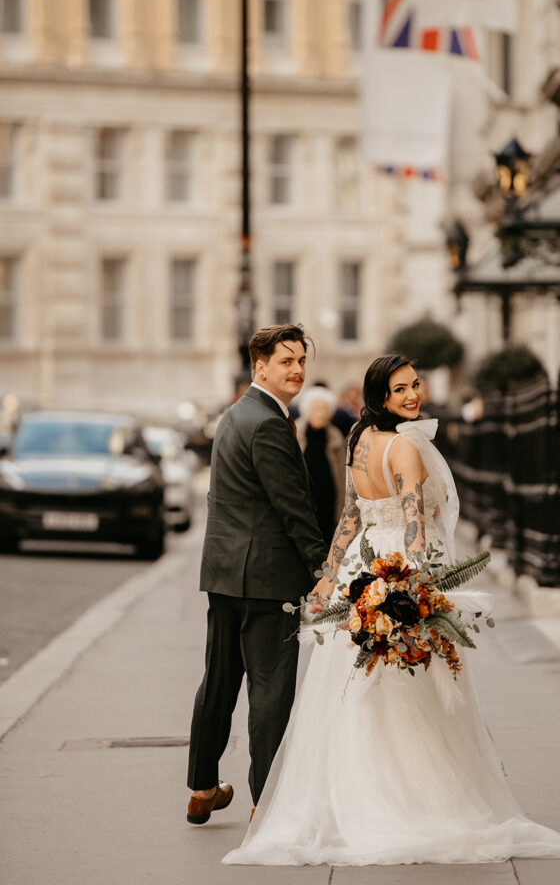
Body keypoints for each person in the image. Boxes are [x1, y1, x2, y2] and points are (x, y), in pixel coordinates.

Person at [222, 354, 560, 865]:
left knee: (355, 693)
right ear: (381, 396)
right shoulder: (406, 447)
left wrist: (331, 577)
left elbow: (349, 520)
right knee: (411, 691)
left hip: (363, 574)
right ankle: (412, 803)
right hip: (395, 575)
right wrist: (416, 587)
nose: (413, 395)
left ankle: (353, 799)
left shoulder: (360, 443)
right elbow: (414, 527)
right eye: (401, 388)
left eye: (416, 385)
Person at [186, 324, 328, 826]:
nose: (296, 369)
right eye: (286, 361)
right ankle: (265, 804)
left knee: (219, 681)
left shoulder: (234, 414)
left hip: (225, 573)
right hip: (266, 579)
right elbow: (292, 506)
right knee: (269, 688)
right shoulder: (268, 422)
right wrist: (322, 568)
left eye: (301, 361)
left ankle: (202, 788)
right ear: (260, 366)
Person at [295, 387, 346, 545]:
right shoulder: (295, 433)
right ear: (307, 410)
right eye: (317, 408)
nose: (322, 413)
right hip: (304, 501)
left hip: (329, 500)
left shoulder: (335, 436)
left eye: (326, 409)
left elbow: (342, 472)